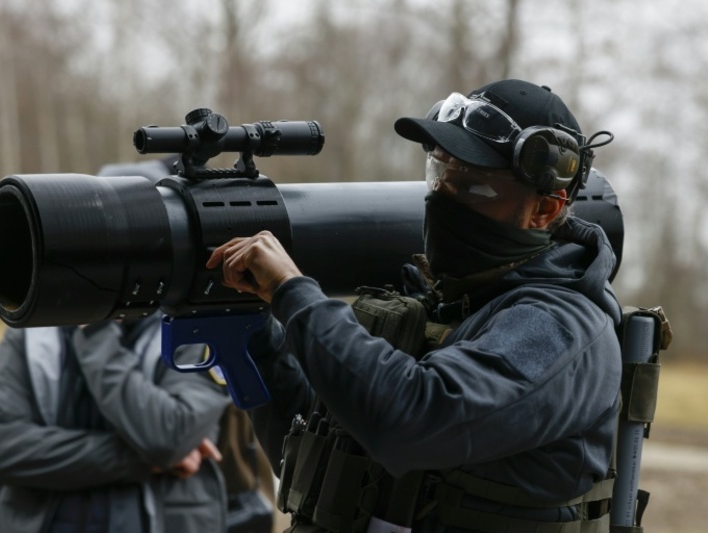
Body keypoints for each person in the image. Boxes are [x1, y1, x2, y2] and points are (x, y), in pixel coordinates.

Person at [206, 79, 622, 532]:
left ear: (544, 210)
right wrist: (258, 336)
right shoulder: (442, 302)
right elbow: (318, 458)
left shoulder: (562, 328)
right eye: (439, 173)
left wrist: (293, 292)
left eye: (472, 186)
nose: (443, 195)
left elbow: (413, 420)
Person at [0, 312, 231, 532]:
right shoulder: (32, 331)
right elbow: (0, 449)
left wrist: (97, 336)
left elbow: (171, 436)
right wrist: (141, 459)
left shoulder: (193, 328)